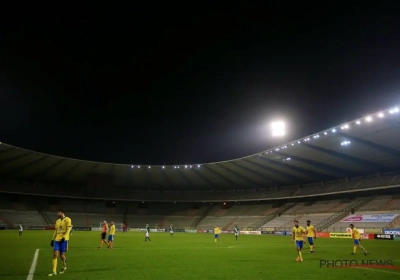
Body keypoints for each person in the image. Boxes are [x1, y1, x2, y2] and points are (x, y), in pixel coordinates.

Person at [48, 209, 72, 276]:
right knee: (55, 254)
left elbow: (68, 230)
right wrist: (52, 239)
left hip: (64, 240)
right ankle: (53, 271)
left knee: (62, 255)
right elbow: (56, 231)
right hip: (57, 240)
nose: (57, 214)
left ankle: (64, 265)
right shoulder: (57, 221)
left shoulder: (68, 219)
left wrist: (64, 237)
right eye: (57, 213)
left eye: (58, 212)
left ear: (62, 212)